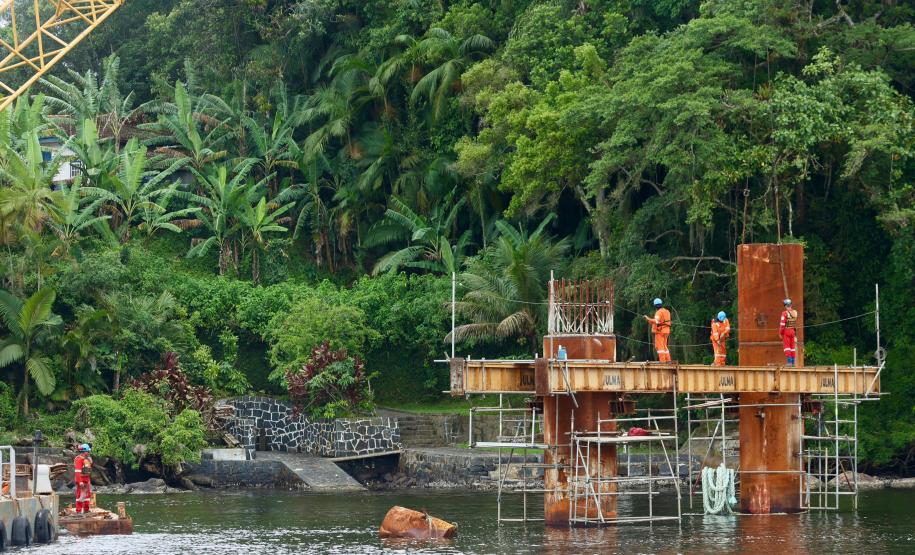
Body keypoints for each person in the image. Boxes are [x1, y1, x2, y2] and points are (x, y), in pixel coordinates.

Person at [643, 298, 672, 362]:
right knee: (664, 346)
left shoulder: (658, 312)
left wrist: (647, 318)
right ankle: (668, 360)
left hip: (660, 332)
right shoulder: (667, 311)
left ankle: (662, 361)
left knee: (659, 347)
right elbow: (661, 321)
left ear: (655, 306)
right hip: (667, 331)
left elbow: (656, 321)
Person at [74, 443, 93, 514]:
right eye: (88, 451)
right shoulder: (79, 460)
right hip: (81, 480)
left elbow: (88, 469)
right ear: (84, 451)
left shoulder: (86, 459)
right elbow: (77, 472)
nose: (89, 453)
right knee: (80, 495)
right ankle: (78, 511)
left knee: (87, 495)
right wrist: (80, 482)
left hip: (86, 479)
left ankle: (86, 509)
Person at [779, 298, 799, 366]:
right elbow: (794, 324)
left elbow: (782, 325)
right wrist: (795, 335)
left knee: (787, 346)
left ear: (785, 305)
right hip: (793, 331)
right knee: (792, 347)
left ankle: (789, 362)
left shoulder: (784, 313)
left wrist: (780, 333)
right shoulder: (795, 312)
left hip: (786, 331)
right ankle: (793, 363)